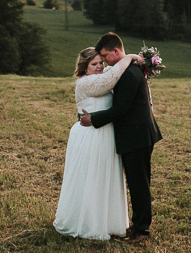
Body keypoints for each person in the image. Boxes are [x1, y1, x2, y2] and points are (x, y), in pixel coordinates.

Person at [53, 46, 145, 240]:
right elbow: (109, 79)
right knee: (91, 178)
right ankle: (87, 222)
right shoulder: (86, 83)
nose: (99, 67)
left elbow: (113, 72)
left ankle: (108, 222)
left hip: (106, 136)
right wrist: (128, 57)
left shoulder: (103, 74)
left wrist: (138, 60)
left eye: (101, 63)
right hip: (90, 136)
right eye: (93, 64)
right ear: (84, 67)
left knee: (106, 178)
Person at [80, 32, 163, 244]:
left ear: (116, 51)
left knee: (139, 184)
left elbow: (120, 109)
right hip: (136, 135)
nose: (105, 61)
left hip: (137, 136)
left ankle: (142, 230)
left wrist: (93, 119)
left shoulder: (128, 75)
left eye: (106, 56)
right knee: (137, 182)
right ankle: (138, 225)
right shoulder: (125, 70)